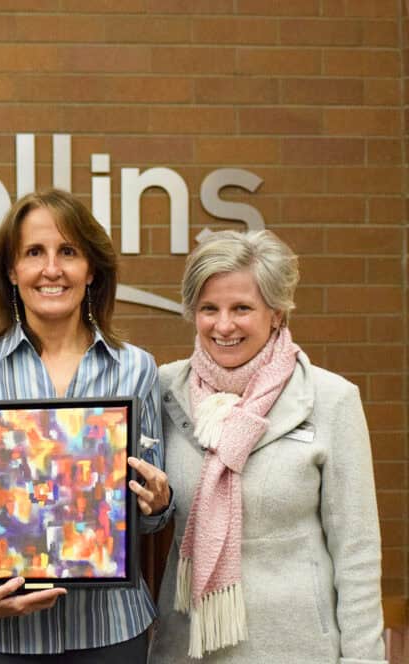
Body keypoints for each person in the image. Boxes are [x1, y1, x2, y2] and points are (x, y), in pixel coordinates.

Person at [0, 188, 174, 662]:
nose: (51, 269)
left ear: (91, 269)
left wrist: (158, 502)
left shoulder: (136, 369)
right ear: (12, 271)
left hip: (107, 634)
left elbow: (148, 514)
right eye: (34, 252)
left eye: (68, 252)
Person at [149, 230, 387, 662]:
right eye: (209, 309)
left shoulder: (330, 399)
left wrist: (363, 658)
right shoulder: (164, 391)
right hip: (189, 646)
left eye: (242, 308)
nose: (223, 325)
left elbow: (357, 554)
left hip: (296, 645)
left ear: (276, 313)